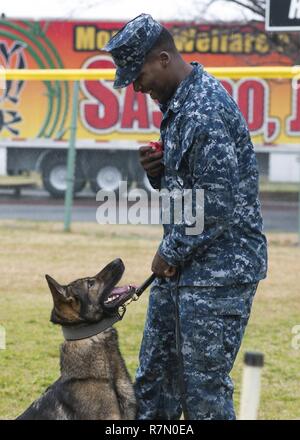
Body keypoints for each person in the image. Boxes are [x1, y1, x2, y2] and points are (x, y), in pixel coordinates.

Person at [103, 13, 268, 420]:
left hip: (219, 276)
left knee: (202, 395)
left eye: (137, 75)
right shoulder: (177, 105)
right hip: (181, 271)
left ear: (162, 58)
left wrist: (171, 252)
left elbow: (217, 202)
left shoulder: (204, 110)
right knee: (153, 384)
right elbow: (190, 190)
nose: (136, 87)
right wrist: (159, 174)